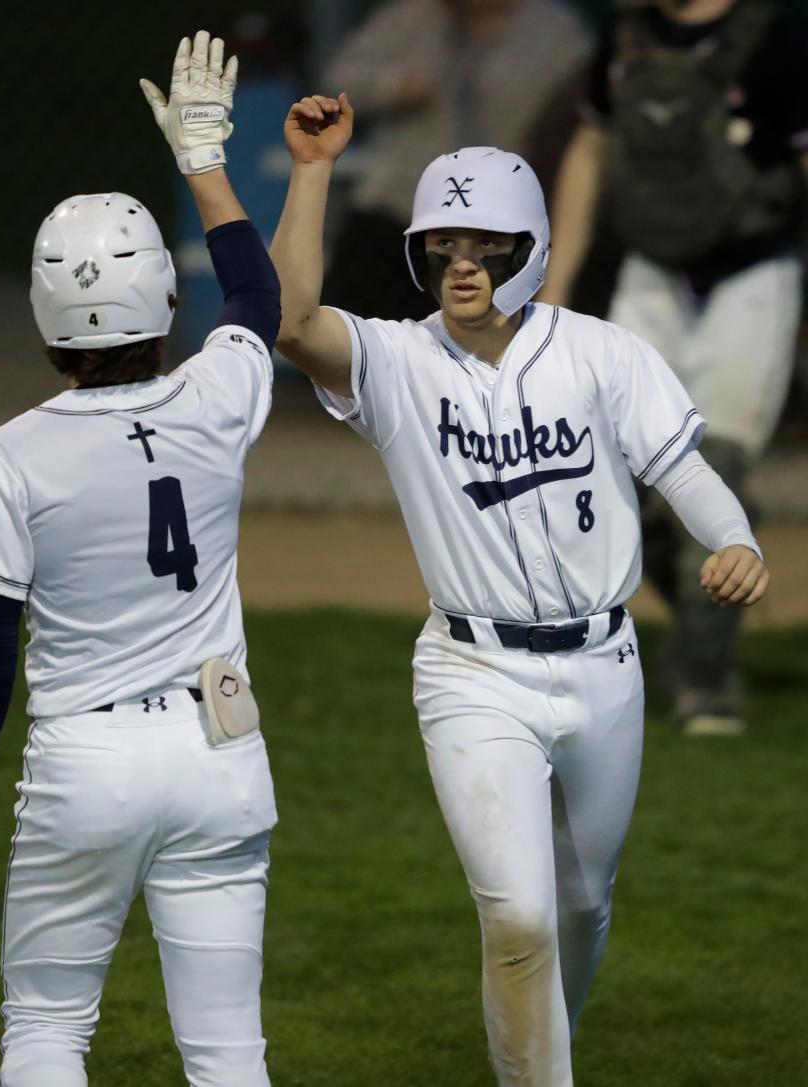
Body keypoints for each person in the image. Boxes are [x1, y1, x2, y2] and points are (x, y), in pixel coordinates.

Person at [270, 92, 768, 1086]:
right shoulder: (399, 363)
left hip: (604, 667)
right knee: (521, 914)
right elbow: (291, 322)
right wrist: (314, 170)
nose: (462, 263)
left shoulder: (601, 353)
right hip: (471, 672)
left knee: (582, 905)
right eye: (442, 244)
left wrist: (734, 535)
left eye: (487, 244)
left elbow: (682, 467)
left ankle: (543, 1050)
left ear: (532, 246)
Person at [0, 32, 279, 1087]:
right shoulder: (218, 398)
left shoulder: (14, 453)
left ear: (44, 316)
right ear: (165, 302)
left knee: (44, 1027)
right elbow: (256, 300)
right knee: (227, 1053)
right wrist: (204, 160)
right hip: (222, 753)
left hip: (86, 769)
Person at [540, 0, 808, 735]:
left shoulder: (772, 35)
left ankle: (705, 679)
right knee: (618, 470)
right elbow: (591, 149)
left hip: (750, 269)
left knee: (711, 464)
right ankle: (705, 621)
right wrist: (557, 285)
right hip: (653, 269)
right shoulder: (628, 34)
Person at [321, 0, 592, 321]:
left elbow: (583, 103)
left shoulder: (555, 28)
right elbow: (340, 77)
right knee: (359, 330)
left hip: (499, 215)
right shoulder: (409, 17)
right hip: (400, 207)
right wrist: (396, 86)